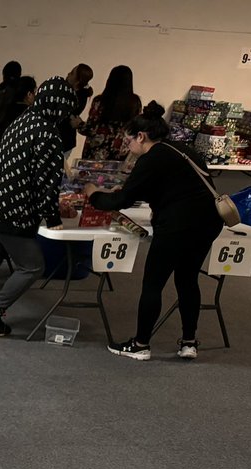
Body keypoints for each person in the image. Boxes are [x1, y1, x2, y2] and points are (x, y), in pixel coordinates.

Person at [86, 103, 224, 361]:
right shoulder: (183, 150)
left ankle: (140, 345)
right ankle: (189, 342)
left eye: (128, 140)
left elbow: (122, 201)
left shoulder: (151, 158)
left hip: (176, 226)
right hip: (207, 223)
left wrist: (93, 194)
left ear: (141, 136)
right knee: (187, 279)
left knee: (153, 283)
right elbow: (174, 186)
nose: (127, 146)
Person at [0, 77, 77, 336]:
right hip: (14, 212)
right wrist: (52, 216)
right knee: (32, 266)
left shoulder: (22, 120)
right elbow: (46, 182)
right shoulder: (49, 134)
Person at [78, 65, 141, 162]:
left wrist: (78, 124)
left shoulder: (100, 101)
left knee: (91, 176)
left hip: (96, 152)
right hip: (120, 152)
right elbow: (134, 129)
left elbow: (90, 129)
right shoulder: (135, 102)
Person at [58, 63, 93, 158]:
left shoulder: (76, 99)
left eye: (72, 73)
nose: (68, 74)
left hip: (63, 141)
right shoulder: (69, 93)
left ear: (77, 81)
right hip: (62, 140)